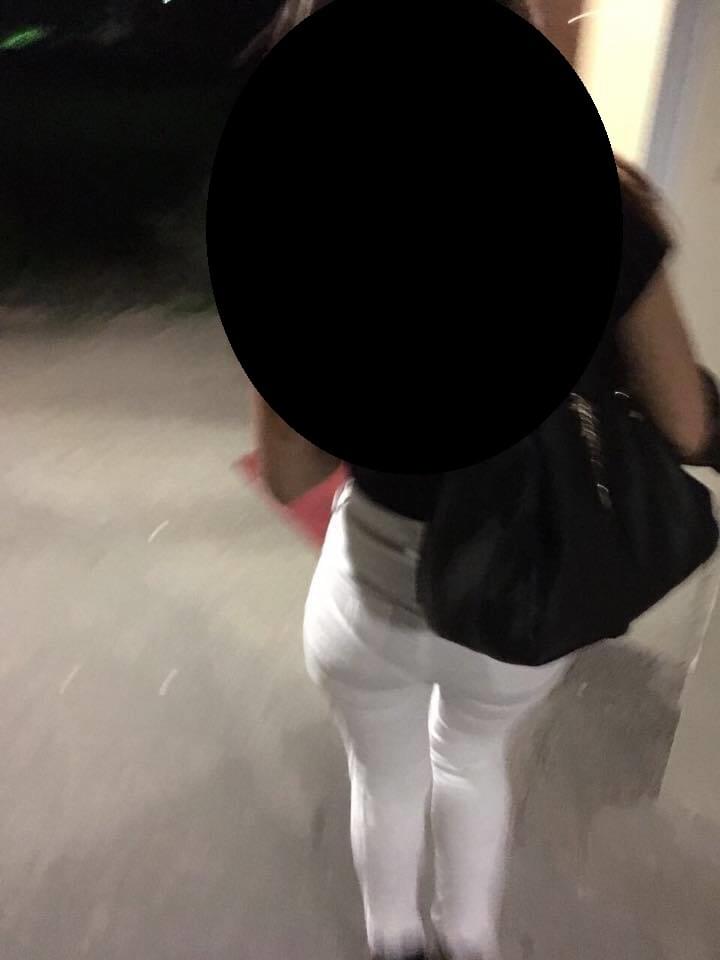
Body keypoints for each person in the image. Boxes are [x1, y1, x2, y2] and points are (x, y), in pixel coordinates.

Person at [251, 3, 717, 959]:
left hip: (372, 588)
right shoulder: (610, 207)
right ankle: (470, 938)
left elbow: (291, 469)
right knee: (470, 757)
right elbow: (686, 422)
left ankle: (396, 941)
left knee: (383, 779)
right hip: (526, 581)